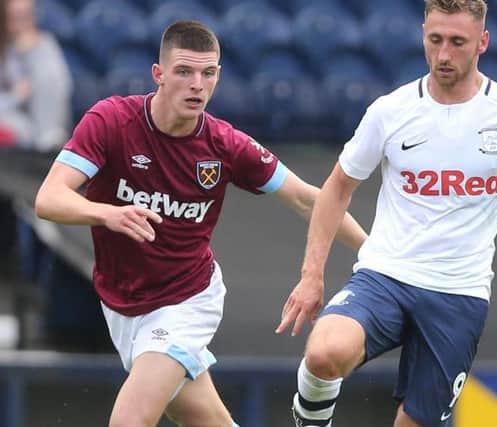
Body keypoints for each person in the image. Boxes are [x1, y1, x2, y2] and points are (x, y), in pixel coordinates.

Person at [276, 1, 497, 426]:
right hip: (387, 275)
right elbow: (336, 189)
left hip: (460, 294)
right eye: (435, 40)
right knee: (325, 352)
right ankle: (309, 420)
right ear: (423, 36)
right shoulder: (391, 111)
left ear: (483, 42)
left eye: (458, 42)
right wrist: (311, 276)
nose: (444, 55)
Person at [34, 20, 367, 427]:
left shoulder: (226, 145)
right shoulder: (110, 121)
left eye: (208, 73)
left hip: (186, 301)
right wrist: (107, 212)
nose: (197, 85)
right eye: (184, 72)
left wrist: (372, 253)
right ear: (158, 75)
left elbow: (307, 198)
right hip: (123, 305)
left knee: (128, 420)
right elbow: (49, 199)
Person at [0, 0, 72, 151]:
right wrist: (16, 96)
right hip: (12, 122)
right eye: (16, 17)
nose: (23, 24)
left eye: (28, 15)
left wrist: (33, 53)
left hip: (43, 129)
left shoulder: (44, 45)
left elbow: (59, 88)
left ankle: (48, 145)